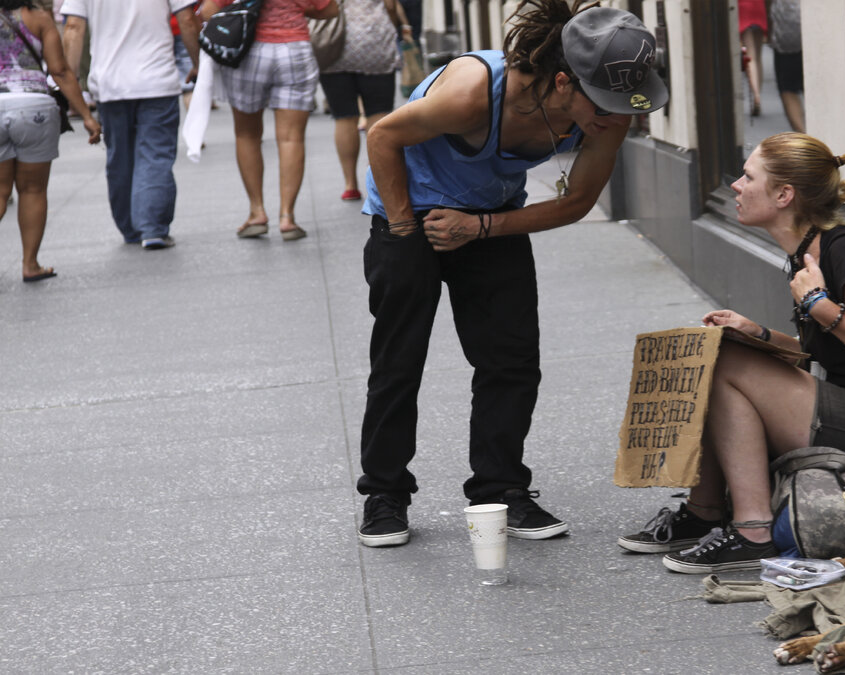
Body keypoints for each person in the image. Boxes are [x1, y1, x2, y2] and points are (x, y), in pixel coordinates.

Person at [355, 0, 668, 547]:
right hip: (408, 212)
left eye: (627, 107)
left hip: (488, 218)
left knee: (512, 359)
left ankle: (499, 491)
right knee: (399, 360)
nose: (618, 119)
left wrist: (480, 229)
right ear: (564, 82)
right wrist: (404, 231)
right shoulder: (474, 92)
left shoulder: (609, 115)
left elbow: (576, 203)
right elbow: (382, 136)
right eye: (606, 105)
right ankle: (384, 494)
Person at [618, 133, 845, 574]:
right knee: (718, 352)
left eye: (748, 177)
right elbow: (835, 349)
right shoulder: (809, 252)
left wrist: (819, 306)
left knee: (726, 366)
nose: (735, 186)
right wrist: (757, 332)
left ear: (784, 194)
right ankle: (702, 512)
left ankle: (752, 533)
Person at [61, 0, 199, 250]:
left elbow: (73, 27)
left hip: (109, 82)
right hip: (157, 79)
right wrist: (197, 62)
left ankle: (131, 228)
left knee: (120, 157)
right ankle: (152, 227)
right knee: (155, 154)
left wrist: (67, 79)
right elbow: (187, 18)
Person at [198, 0, 339, 241]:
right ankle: (287, 217)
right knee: (291, 138)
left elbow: (209, 10)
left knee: (246, 135)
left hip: (249, 50)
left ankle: (257, 212)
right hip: (295, 50)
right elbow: (330, 9)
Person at [0, 0, 99, 281]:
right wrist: (87, 117)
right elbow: (60, 71)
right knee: (32, 190)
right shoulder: (40, 18)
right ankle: (30, 264)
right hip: (34, 107)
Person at [317, 0, 408, 202]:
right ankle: (378, 179)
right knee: (378, 112)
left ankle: (350, 185)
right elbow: (391, 7)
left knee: (344, 117)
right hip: (375, 42)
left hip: (333, 46)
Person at [769, 0, 804, 132]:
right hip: (820, 27)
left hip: (787, 31)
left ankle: (805, 138)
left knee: (788, 89)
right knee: (819, 87)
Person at [738, 0, 766, 117]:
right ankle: (758, 93)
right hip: (758, 7)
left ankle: (756, 96)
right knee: (758, 58)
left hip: (743, 8)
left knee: (751, 56)